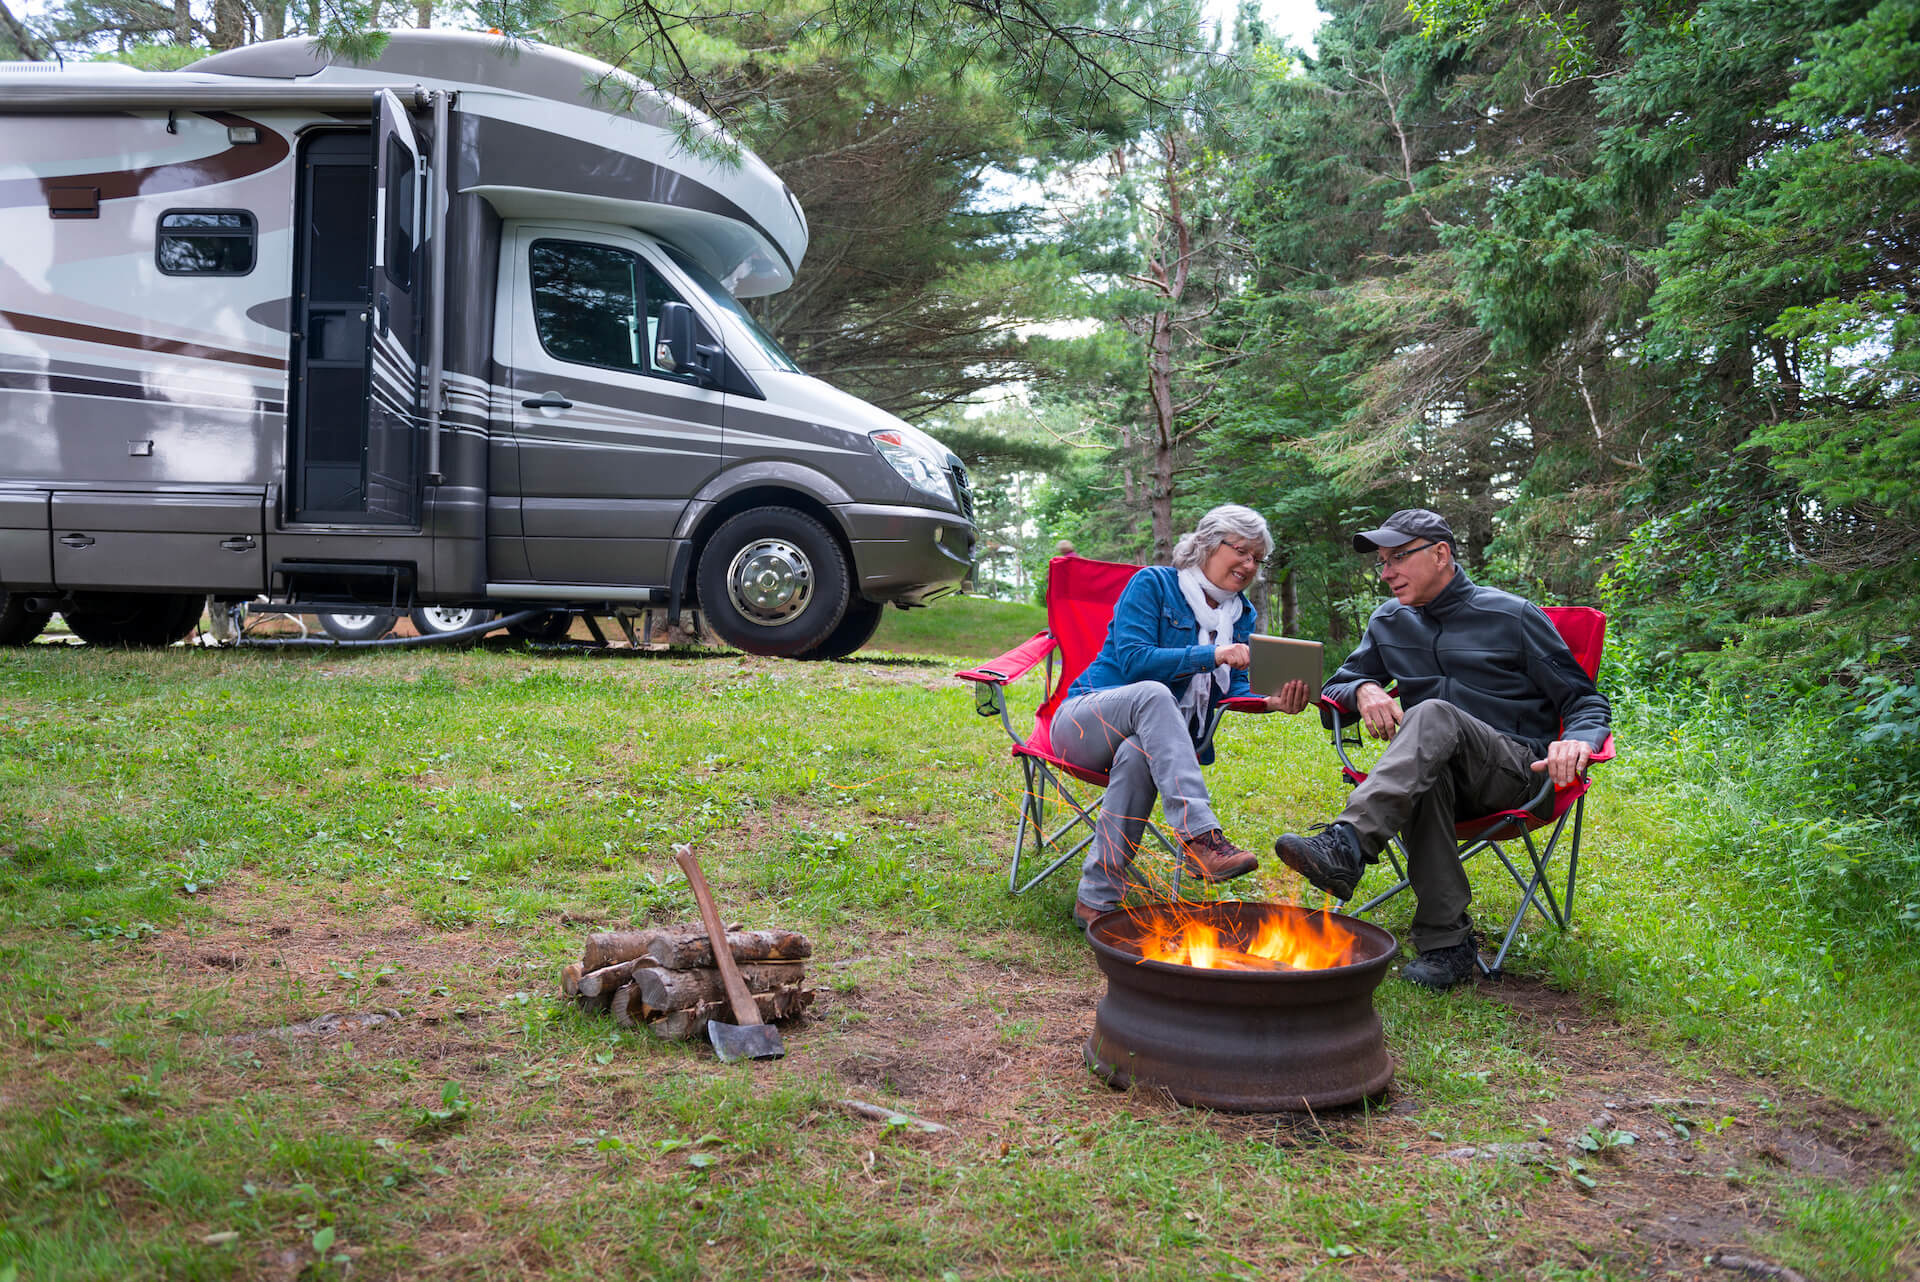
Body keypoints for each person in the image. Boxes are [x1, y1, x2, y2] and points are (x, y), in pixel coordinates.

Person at [1272, 509, 1611, 990]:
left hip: (1515, 774)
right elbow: (1338, 687)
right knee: (1427, 769)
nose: (1386, 572)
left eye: (1398, 558)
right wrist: (1365, 688)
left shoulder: (1511, 615)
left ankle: (1347, 844)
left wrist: (1577, 740)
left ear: (1441, 554)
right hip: (1429, 773)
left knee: (1429, 713)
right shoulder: (1389, 621)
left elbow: (1584, 700)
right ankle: (1446, 945)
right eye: (1382, 563)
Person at [1053, 505, 1310, 931]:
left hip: (1147, 742)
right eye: (1241, 551)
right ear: (1208, 544)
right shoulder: (1153, 584)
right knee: (1155, 694)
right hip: (1085, 722)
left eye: (1257, 559)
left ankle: (1095, 900)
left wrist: (1272, 702)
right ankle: (1199, 838)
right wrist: (1213, 654)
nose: (1249, 565)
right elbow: (1134, 661)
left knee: (1139, 755)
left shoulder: (1240, 614)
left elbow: (1237, 688)